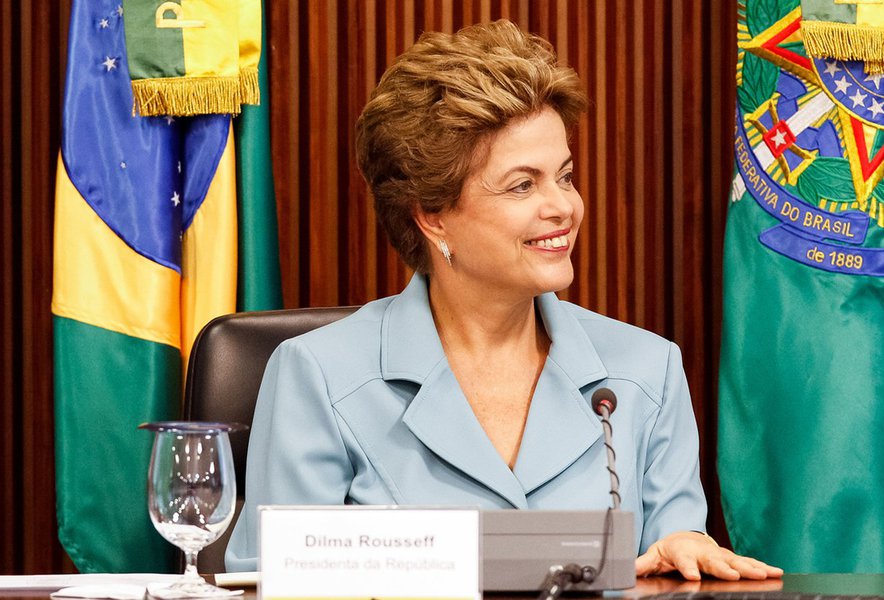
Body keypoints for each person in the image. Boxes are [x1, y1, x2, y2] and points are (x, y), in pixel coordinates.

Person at [224, 19, 781, 581]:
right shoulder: (317, 376)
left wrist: (686, 547)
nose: (562, 207)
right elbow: (269, 584)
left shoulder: (647, 370)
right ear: (432, 214)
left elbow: (674, 552)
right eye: (523, 185)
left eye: (564, 177)